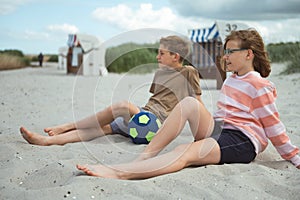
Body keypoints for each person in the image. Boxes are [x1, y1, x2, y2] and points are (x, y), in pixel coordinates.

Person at [76, 29, 300, 180]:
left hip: (241, 140)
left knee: (184, 151)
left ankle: (120, 172)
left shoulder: (260, 85)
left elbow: (273, 126)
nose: (225, 56)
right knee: (189, 103)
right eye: (225, 51)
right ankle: (145, 156)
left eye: (231, 51)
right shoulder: (232, 79)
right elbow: (222, 114)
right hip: (219, 129)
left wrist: (293, 156)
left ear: (249, 54)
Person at [20, 35, 203, 146]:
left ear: (175, 56)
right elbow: (154, 101)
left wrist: (200, 138)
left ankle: (67, 126)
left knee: (122, 106)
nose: (157, 56)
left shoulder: (188, 72)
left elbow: (197, 105)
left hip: (158, 125)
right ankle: (46, 141)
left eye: (161, 53)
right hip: (143, 117)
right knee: (102, 129)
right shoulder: (160, 73)